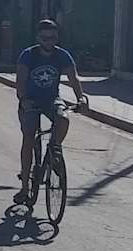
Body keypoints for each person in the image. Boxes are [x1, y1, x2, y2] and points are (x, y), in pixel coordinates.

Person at [14, 19, 87, 205]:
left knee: (63, 118)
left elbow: (73, 77)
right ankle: (24, 187)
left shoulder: (62, 55)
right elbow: (20, 81)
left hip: (50, 99)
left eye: (53, 37)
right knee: (29, 138)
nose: (49, 41)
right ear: (38, 38)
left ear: (57, 37)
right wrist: (23, 99)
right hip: (30, 100)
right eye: (45, 38)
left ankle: (54, 151)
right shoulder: (28, 55)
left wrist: (81, 98)